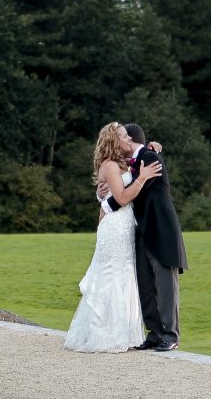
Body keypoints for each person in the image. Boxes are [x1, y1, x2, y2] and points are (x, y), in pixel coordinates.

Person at [63, 122, 162, 353]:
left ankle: (124, 333)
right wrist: (143, 177)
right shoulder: (109, 166)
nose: (128, 139)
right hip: (115, 228)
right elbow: (123, 197)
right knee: (112, 276)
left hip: (124, 227)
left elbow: (135, 158)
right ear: (113, 141)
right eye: (124, 136)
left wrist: (151, 146)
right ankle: (104, 335)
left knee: (125, 275)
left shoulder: (120, 164)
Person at [102, 123, 187, 351]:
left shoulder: (150, 158)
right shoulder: (132, 164)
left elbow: (129, 194)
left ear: (129, 140)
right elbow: (128, 187)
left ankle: (170, 335)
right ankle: (155, 332)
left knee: (165, 284)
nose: (120, 144)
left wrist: (107, 203)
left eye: (122, 138)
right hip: (141, 231)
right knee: (146, 284)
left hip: (161, 230)